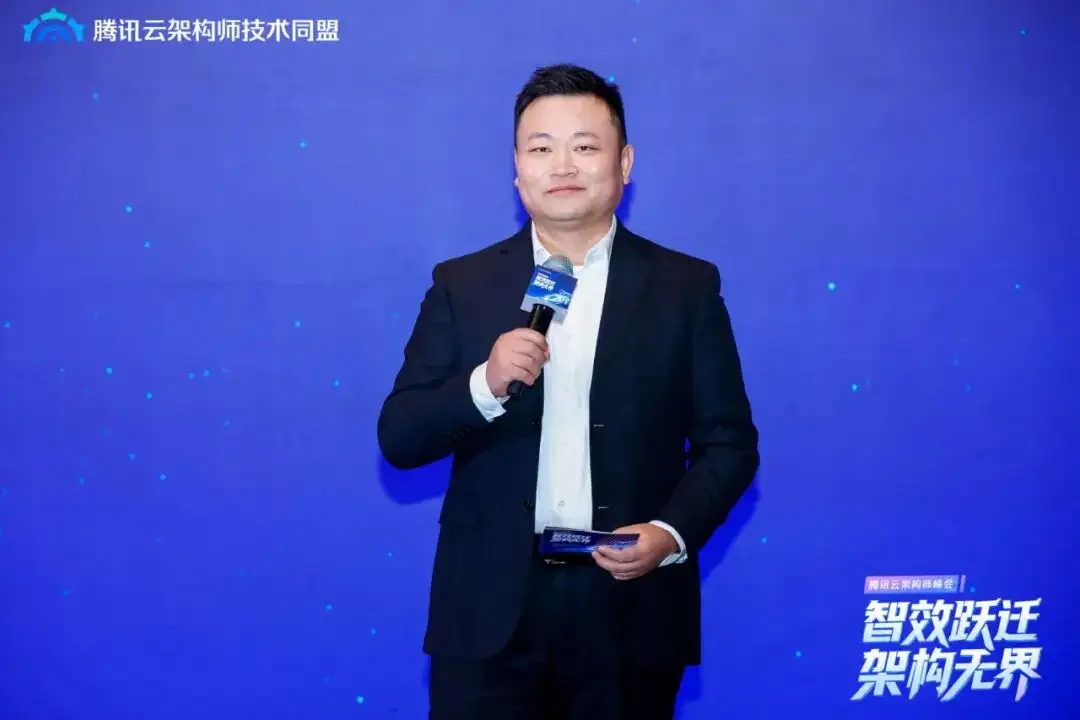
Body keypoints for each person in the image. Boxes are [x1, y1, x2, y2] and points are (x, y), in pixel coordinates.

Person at [377, 63, 759, 720]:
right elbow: (401, 435)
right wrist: (485, 383)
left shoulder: (685, 287)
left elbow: (728, 445)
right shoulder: (461, 285)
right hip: (490, 610)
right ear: (517, 169)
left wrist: (669, 534)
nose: (562, 166)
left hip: (628, 607)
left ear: (624, 162)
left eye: (584, 146)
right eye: (540, 148)